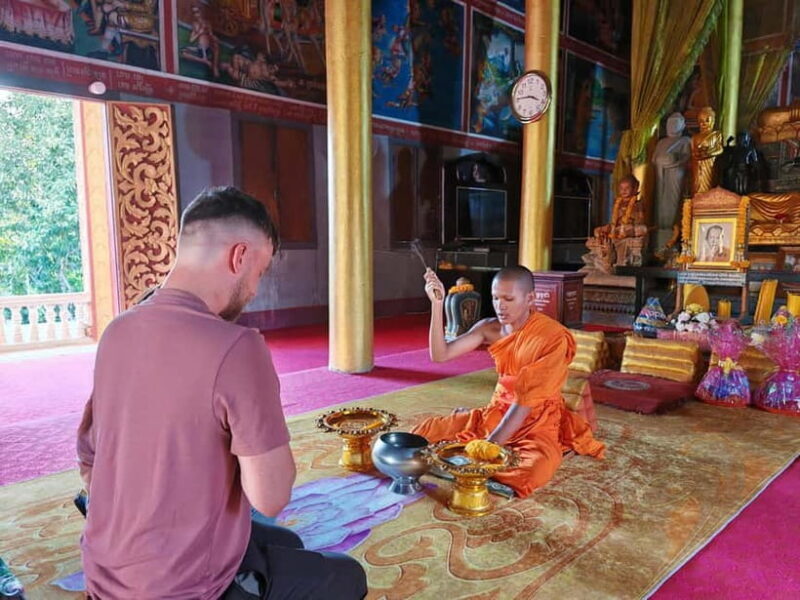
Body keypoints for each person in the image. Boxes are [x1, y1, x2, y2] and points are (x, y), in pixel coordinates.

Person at [77, 187, 367, 599]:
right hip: (180, 589)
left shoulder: (117, 331)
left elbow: (89, 463)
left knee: (289, 545)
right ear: (239, 256)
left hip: (105, 576)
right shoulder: (236, 346)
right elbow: (270, 497)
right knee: (348, 576)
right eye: (260, 272)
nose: (253, 290)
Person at [412, 266, 605, 498]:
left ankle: (473, 468)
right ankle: (477, 465)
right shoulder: (489, 328)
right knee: (425, 431)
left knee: (531, 472)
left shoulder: (551, 337)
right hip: (497, 413)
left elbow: (527, 400)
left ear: (530, 298)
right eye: (495, 298)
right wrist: (436, 304)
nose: (500, 306)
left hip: (537, 419)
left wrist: (489, 446)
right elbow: (440, 355)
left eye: (508, 299)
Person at [690, 106, 724, 195]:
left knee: (709, 184)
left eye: (707, 120)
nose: (703, 123)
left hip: (710, 164)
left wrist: (708, 153)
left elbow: (719, 149)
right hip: (697, 165)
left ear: (713, 120)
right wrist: (696, 154)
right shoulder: (695, 137)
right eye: (701, 121)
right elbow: (693, 151)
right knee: (696, 184)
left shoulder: (716, 135)